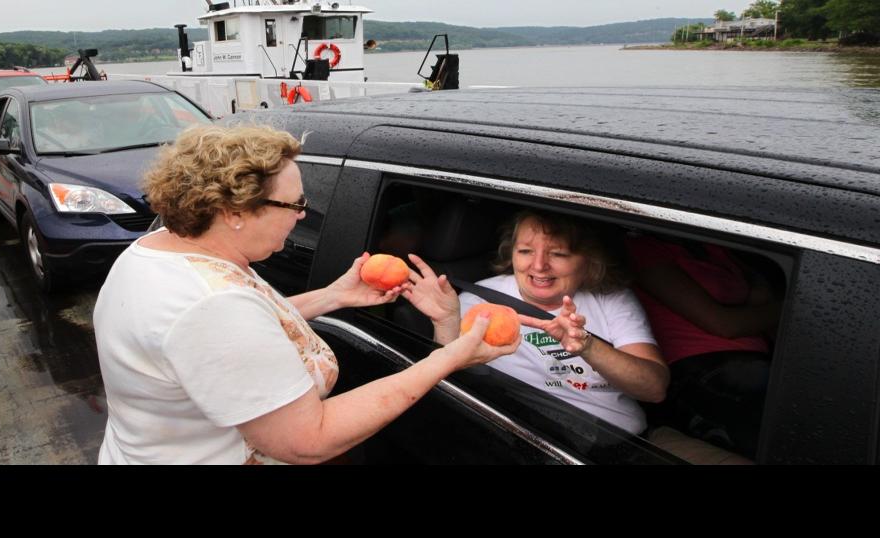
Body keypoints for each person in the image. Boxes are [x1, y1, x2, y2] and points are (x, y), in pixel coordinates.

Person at [92, 124, 520, 464]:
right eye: (294, 204)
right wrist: (449, 357)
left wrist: (333, 296)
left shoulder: (162, 248)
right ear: (234, 212)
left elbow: (237, 335)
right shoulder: (211, 305)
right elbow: (306, 442)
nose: (302, 215)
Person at [402, 210, 669, 435]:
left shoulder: (610, 297)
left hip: (636, 442)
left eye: (559, 254)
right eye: (526, 251)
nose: (539, 265)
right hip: (546, 440)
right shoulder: (477, 302)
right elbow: (448, 383)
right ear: (512, 254)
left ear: (589, 261)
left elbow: (654, 389)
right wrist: (446, 323)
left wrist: (586, 346)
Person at [626, 234, 780, 458]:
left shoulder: (717, 246)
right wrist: (789, 308)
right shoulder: (644, 248)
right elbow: (724, 325)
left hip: (753, 361)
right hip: (697, 368)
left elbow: (758, 302)